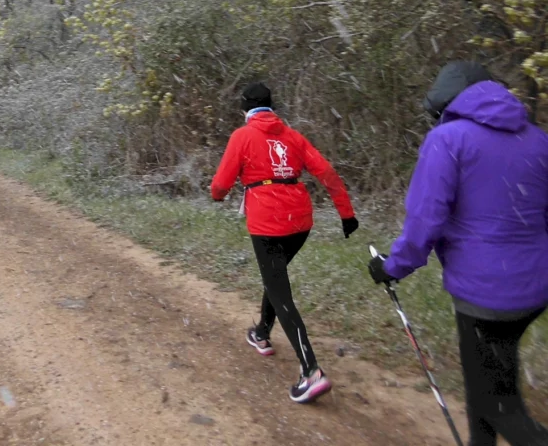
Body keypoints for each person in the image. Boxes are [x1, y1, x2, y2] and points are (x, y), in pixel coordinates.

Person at [369, 62, 548, 446]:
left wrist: (391, 267)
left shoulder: (448, 139)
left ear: (446, 104)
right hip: (534, 286)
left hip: (485, 293)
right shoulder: (537, 139)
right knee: (487, 379)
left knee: (501, 407)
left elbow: (425, 220)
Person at [210, 82, 358, 404]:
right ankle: (262, 332)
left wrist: (217, 195)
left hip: (267, 223)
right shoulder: (293, 136)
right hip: (300, 222)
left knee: (279, 290)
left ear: (245, 108)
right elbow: (328, 173)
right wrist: (346, 214)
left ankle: (311, 371)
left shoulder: (242, 136)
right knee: (275, 277)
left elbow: (221, 183)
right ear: (271, 106)